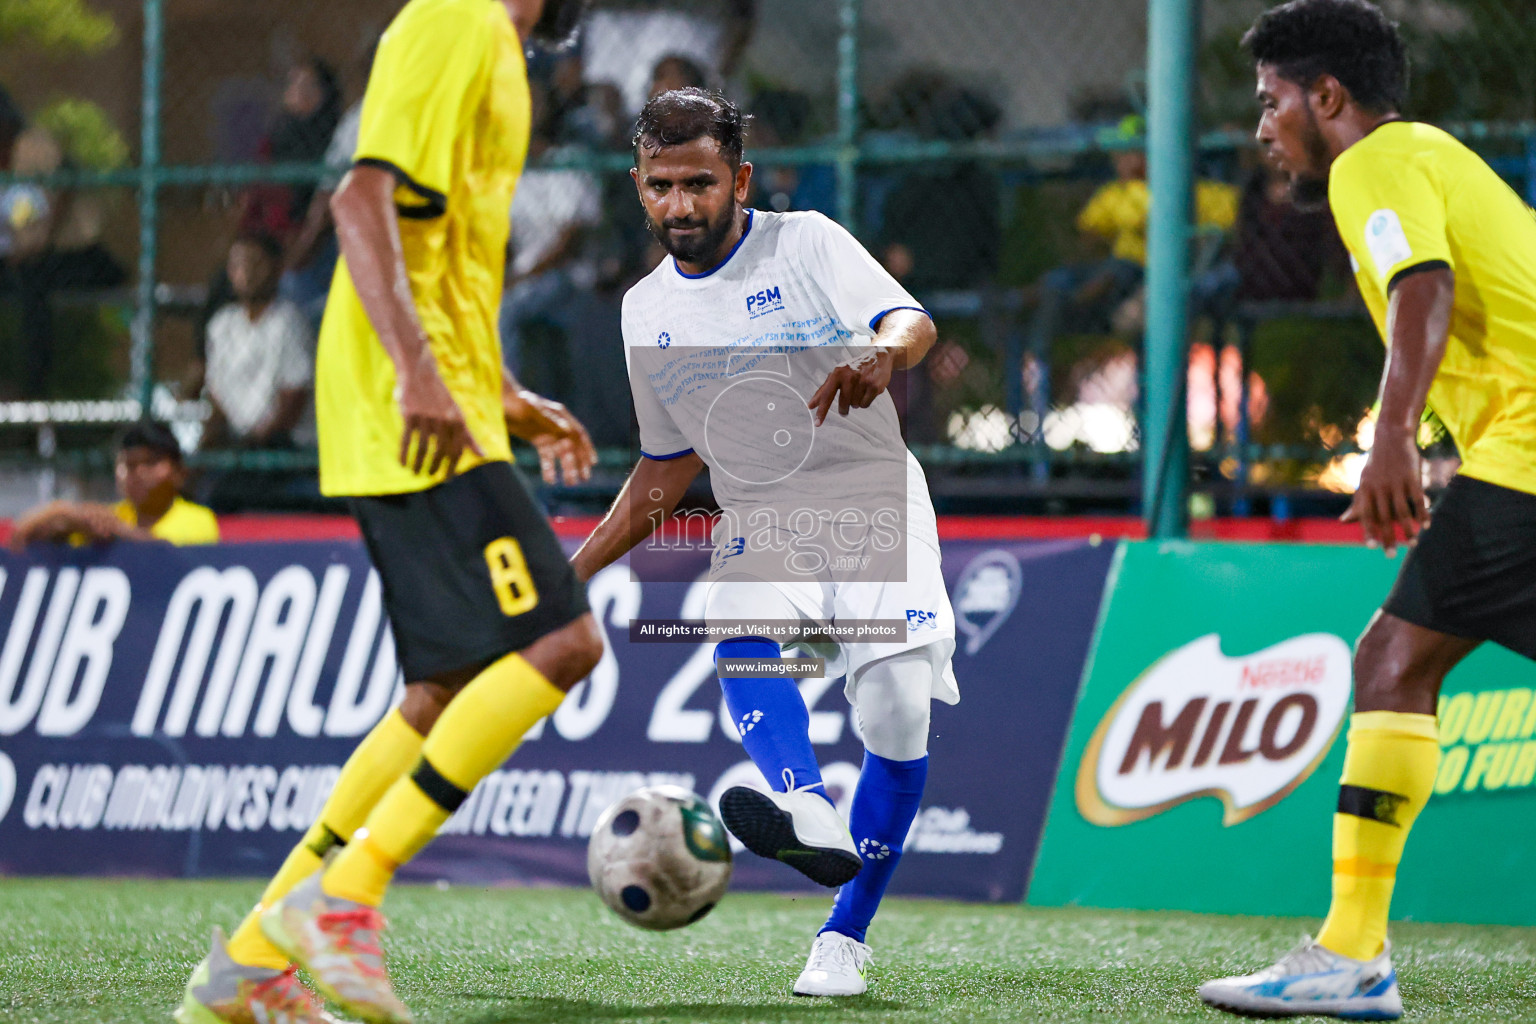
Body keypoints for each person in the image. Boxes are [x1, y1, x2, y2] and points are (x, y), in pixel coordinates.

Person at [173, 3, 599, 1024]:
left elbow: (441, 256)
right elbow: (361, 200)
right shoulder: (455, 20)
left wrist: (501, 387)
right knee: (563, 641)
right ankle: (349, 897)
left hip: (438, 401)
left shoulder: (498, 50)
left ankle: (244, 968)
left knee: (440, 693)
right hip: (410, 409)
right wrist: (417, 371)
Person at [571, 88, 956, 999]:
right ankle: (803, 799)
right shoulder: (643, 312)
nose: (680, 205)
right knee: (741, 613)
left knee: (898, 710)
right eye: (661, 186)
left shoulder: (808, 241)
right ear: (638, 186)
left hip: (870, 498)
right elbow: (666, 469)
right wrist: (570, 573)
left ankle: (845, 938)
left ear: (738, 179)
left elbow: (913, 321)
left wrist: (885, 356)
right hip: (763, 513)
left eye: (699, 183)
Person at [1198, 2, 1536, 1019]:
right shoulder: (1432, 156)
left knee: (1394, 658)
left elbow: (1423, 290)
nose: (1264, 128)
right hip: (1510, 452)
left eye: (1271, 102)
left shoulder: (1373, 163)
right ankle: (1354, 955)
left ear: (1327, 98)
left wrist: (1390, 441)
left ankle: (1352, 953)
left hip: (1528, 451)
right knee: (1398, 657)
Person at [10, 422, 219, 549]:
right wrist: (63, 514)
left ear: (179, 473)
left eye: (150, 462)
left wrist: (116, 532)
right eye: (128, 464)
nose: (138, 473)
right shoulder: (109, 517)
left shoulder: (199, 519)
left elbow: (171, 559)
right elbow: (19, 537)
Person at [203, 231, 315, 448]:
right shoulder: (221, 325)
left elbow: (293, 400)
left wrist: (257, 441)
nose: (248, 271)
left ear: (277, 268)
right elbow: (216, 396)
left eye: (257, 263)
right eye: (238, 264)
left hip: (285, 447)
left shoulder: (288, 322)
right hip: (239, 445)